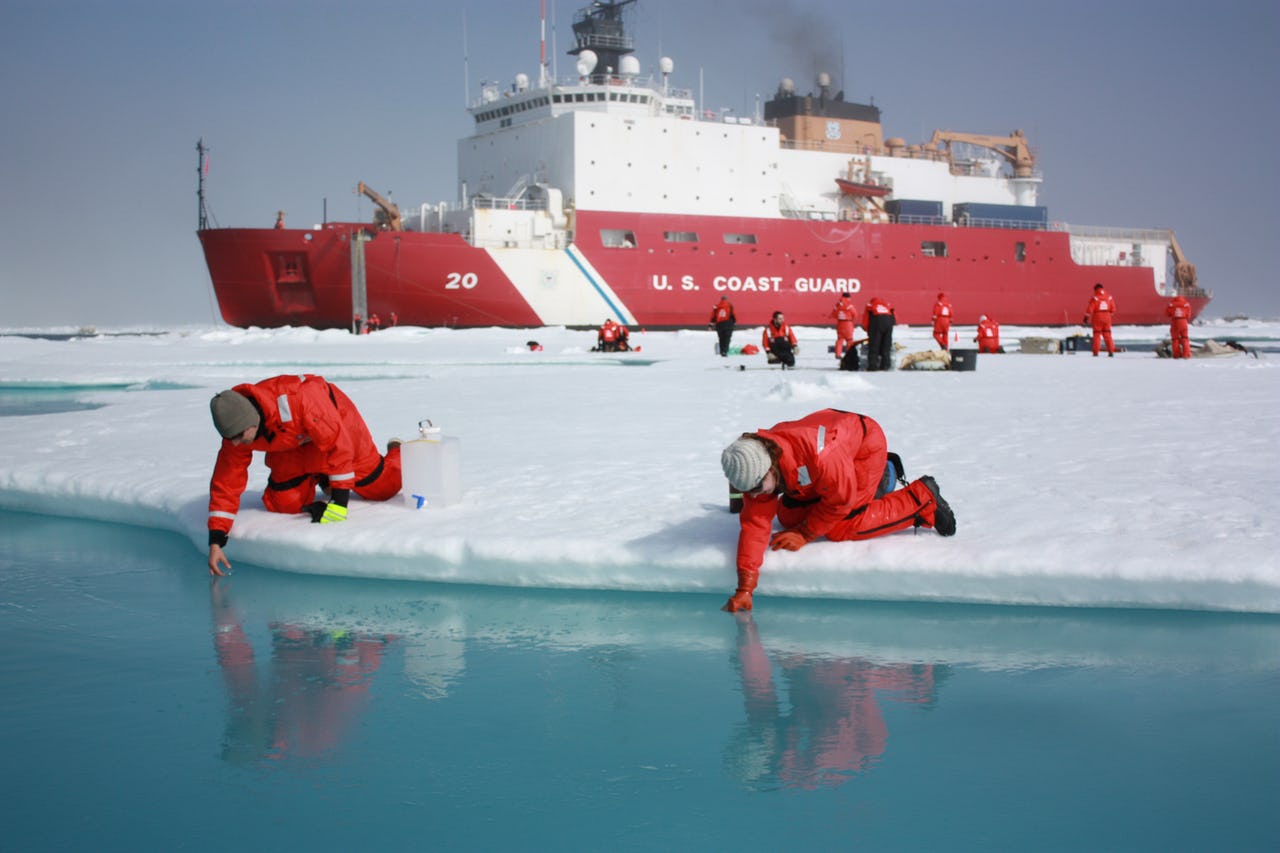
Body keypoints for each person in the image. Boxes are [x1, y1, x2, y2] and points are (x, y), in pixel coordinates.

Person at [719, 409, 956, 612]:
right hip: (828, 457)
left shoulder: (821, 456)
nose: (754, 496)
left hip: (864, 448)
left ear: (769, 467)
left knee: (842, 526)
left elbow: (840, 502)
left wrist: (806, 534)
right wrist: (745, 587)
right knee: (788, 517)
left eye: (757, 488)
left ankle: (922, 498)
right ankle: (882, 477)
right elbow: (755, 525)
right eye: (746, 491)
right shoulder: (756, 463)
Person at [206, 374, 402, 576]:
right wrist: (217, 539)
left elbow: (339, 446)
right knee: (284, 503)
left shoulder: (301, 399)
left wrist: (339, 502)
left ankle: (398, 451)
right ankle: (321, 475)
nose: (236, 444)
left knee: (384, 487)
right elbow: (227, 479)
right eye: (231, 439)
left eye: (239, 437)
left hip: (337, 425)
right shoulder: (236, 429)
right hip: (292, 444)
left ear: (251, 423)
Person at [862, 295, 896, 371]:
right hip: (889, 322)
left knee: (874, 345)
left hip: (877, 321)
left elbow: (866, 319)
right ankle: (886, 366)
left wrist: (868, 331)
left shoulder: (870, 305)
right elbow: (894, 318)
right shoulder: (887, 305)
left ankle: (873, 366)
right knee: (886, 345)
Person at [1083, 283, 1117, 357]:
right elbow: (1113, 309)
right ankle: (1111, 351)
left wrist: (1086, 318)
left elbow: (1090, 309)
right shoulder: (1109, 297)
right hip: (1107, 317)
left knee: (1097, 335)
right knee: (1107, 335)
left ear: (1095, 289)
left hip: (1097, 317)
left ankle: (1096, 352)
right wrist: (1108, 315)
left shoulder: (1095, 298)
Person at [829, 292, 858, 359]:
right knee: (849, 340)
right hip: (848, 323)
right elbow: (855, 314)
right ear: (849, 298)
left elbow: (833, 314)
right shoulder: (849, 305)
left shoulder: (837, 305)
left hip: (840, 324)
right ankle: (849, 354)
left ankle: (838, 354)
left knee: (840, 340)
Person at [1166, 294, 1192, 359]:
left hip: (1175, 321)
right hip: (1183, 321)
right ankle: (1186, 354)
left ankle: (1176, 355)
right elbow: (1188, 315)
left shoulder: (1171, 304)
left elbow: (1167, 313)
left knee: (1175, 339)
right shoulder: (1186, 304)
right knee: (1185, 338)